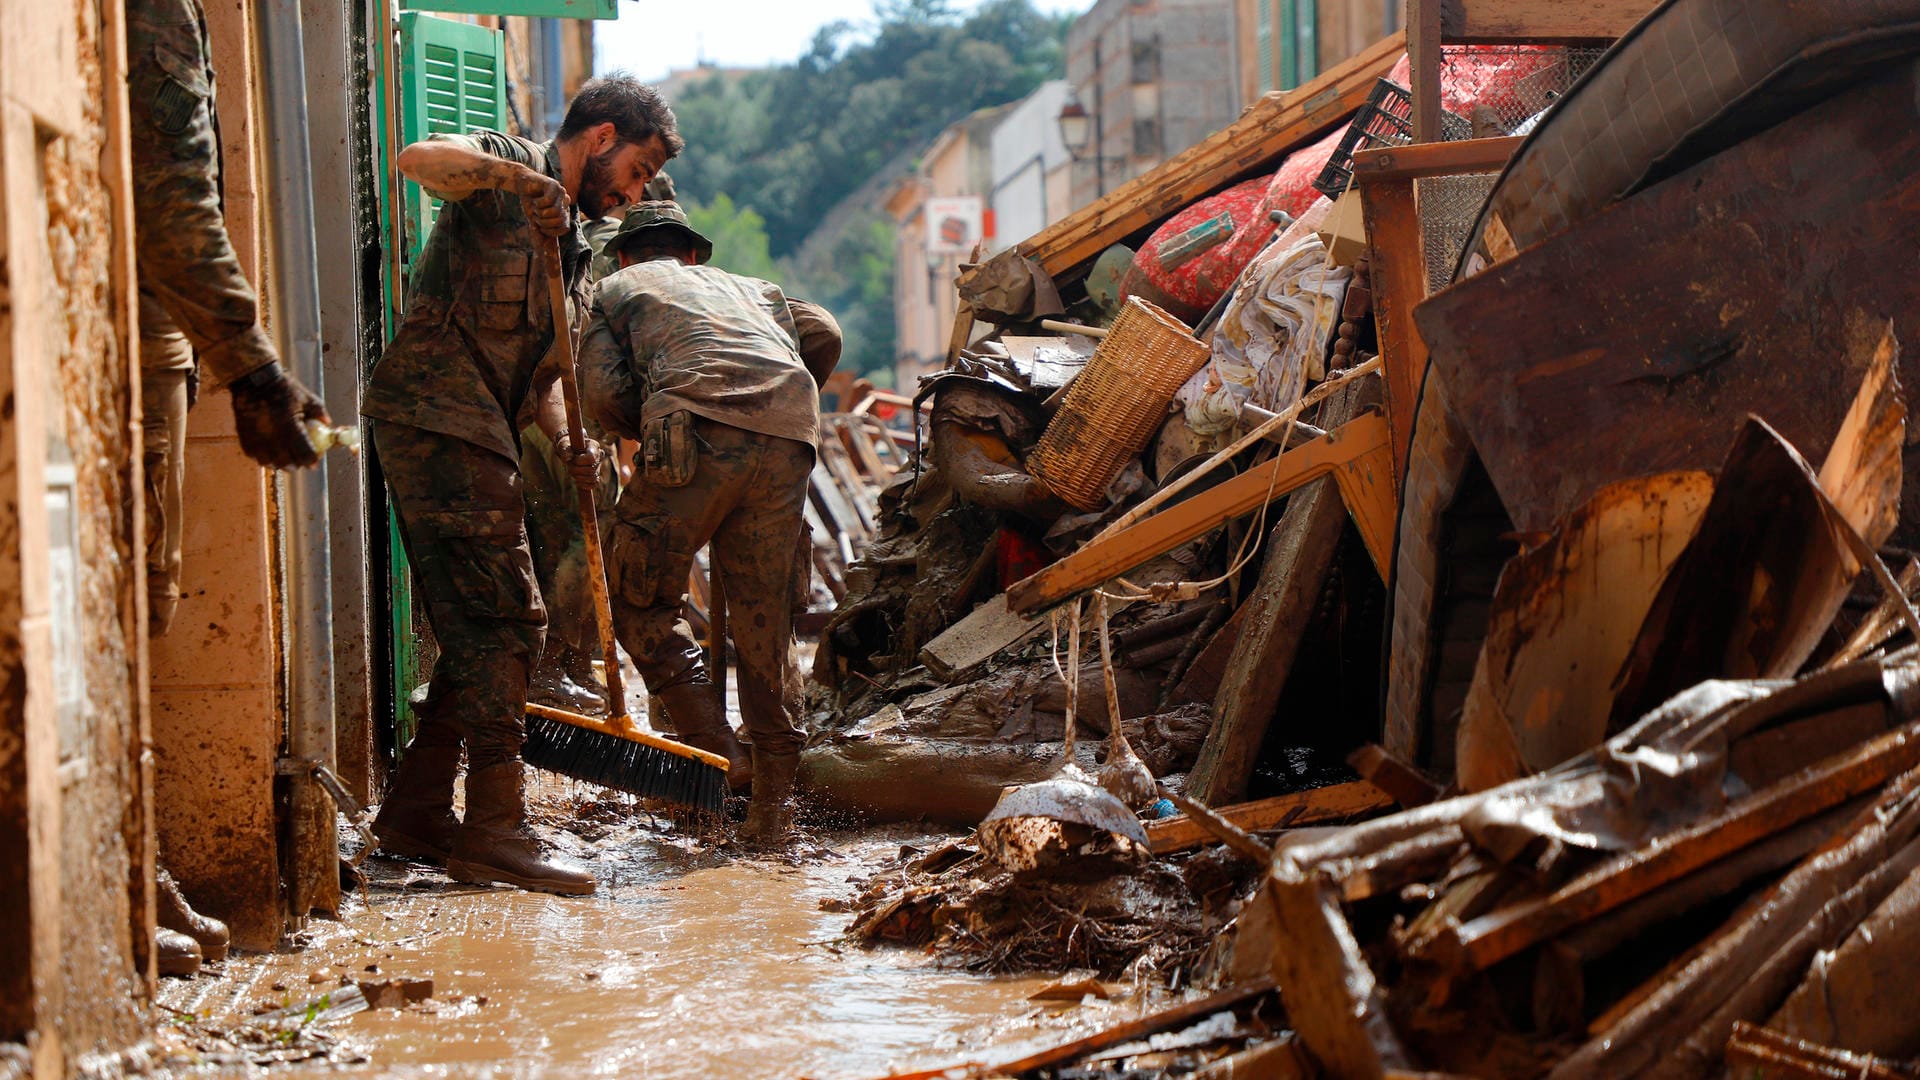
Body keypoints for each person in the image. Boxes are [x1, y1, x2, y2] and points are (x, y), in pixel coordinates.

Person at [362, 77, 680, 895]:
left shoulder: (574, 247)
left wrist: (570, 438)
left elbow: (540, 377)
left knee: (482, 627)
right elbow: (418, 159)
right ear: (602, 135)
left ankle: (418, 809)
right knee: (510, 618)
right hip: (436, 413)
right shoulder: (508, 164)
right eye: (638, 170)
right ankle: (498, 828)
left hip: (486, 427)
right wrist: (522, 182)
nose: (635, 192)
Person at [128, 0, 329, 974]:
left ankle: (139, 858)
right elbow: (171, 201)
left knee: (137, 608)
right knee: (126, 608)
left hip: (153, 331)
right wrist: (250, 366)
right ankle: (130, 868)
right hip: (132, 335)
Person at [579, 202, 839, 844]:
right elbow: (825, 330)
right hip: (788, 431)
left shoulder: (611, 290)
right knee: (766, 620)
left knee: (634, 596)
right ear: (693, 254)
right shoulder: (758, 291)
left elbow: (602, 392)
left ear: (625, 256)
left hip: (689, 429)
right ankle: (774, 814)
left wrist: (655, 419)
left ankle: (717, 750)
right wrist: (776, 397)